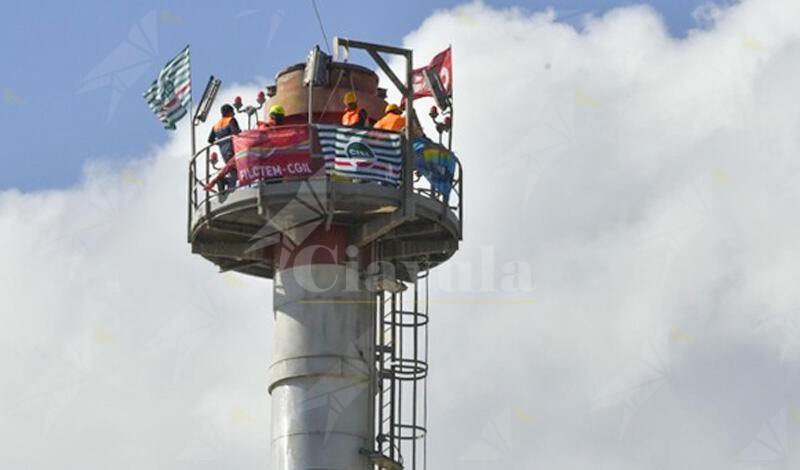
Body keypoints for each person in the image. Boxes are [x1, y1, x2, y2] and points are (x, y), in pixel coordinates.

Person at [208, 104, 241, 192]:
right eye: (233, 112)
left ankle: (225, 183)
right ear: (229, 112)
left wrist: (221, 142)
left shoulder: (216, 126)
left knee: (233, 171)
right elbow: (236, 132)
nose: (234, 114)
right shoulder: (231, 120)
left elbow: (210, 140)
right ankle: (228, 187)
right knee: (239, 170)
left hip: (223, 153)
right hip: (233, 150)